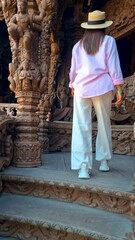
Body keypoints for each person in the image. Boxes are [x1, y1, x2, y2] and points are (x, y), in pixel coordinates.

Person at [69, 10, 124, 179]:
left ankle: (83, 167)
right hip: (103, 87)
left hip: (81, 88)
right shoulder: (109, 41)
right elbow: (113, 66)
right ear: (103, 27)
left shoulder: (78, 45)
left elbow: (73, 70)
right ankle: (104, 161)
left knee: (81, 126)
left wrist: (72, 85)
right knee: (104, 123)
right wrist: (120, 88)